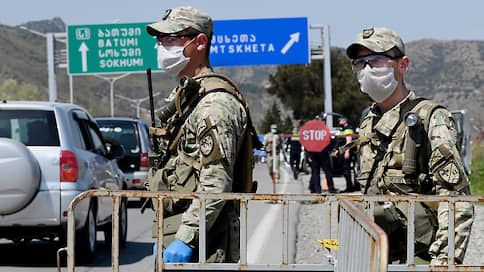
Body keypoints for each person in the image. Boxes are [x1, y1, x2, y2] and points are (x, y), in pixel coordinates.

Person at [345, 27, 474, 265]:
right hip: (376, 253)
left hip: (418, 256)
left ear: (402, 65)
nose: (366, 70)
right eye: (360, 63)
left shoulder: (429, 118)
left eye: (376, 60)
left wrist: (445, 260)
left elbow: (456, 198)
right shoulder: (368, 122)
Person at [145, 6, 257, 264]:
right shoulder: (188, 96)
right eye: (160, 41)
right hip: (184, 229)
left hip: (206, 240)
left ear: (200, 42)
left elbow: (216, 180)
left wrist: (185, 238)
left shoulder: (214, 104)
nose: (162, 47)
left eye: (171, 40)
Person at [335, 117, 356, 192]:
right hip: (342, 152)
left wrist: (347, 152)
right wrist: (337, 150)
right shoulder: (343, 129)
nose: (339, 122)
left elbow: (349, 141)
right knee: (344, 170)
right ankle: (349, 187)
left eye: (340, 121)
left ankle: (350, 188)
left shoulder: (348, 128)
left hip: (345, 152)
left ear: (345, 121)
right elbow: (340, 142)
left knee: (346, 170)